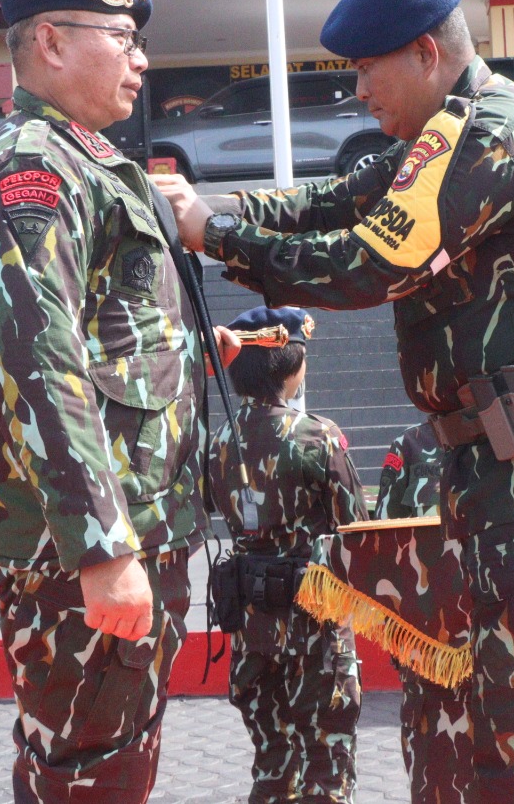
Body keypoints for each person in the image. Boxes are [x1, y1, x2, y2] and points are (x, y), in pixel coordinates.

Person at [161, 0, 514, 802]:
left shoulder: (492, 135)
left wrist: (219, 240)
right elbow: (341, 199)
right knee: (503, 714)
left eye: (366, 68)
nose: (356, 91)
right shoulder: (440, 139)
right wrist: (212, 207)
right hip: (509, 463)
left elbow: (370, 264)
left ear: (425, 52)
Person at [0, 0, 215, 802]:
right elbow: (40, 361)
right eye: (124, 40)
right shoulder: (30, 170)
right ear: (52, 42)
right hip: (80, 550)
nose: (140, 61)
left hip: (128, 527)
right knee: (88, 773)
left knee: (111, 762)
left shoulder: (90, 162)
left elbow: (118, 340)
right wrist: (102, 548)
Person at [204, 305, 366, 804]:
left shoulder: (218, 442)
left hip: (252, 621)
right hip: (313, 619)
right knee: (327, 763)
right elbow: (355, 523)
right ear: (290, 367)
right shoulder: (317, 435)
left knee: (273, 761)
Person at [374, 420, 474, 804]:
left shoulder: (500, 438)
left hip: (490, 624)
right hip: (427, 631)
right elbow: (385, 536)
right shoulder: (410, 446)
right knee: (427, 747)